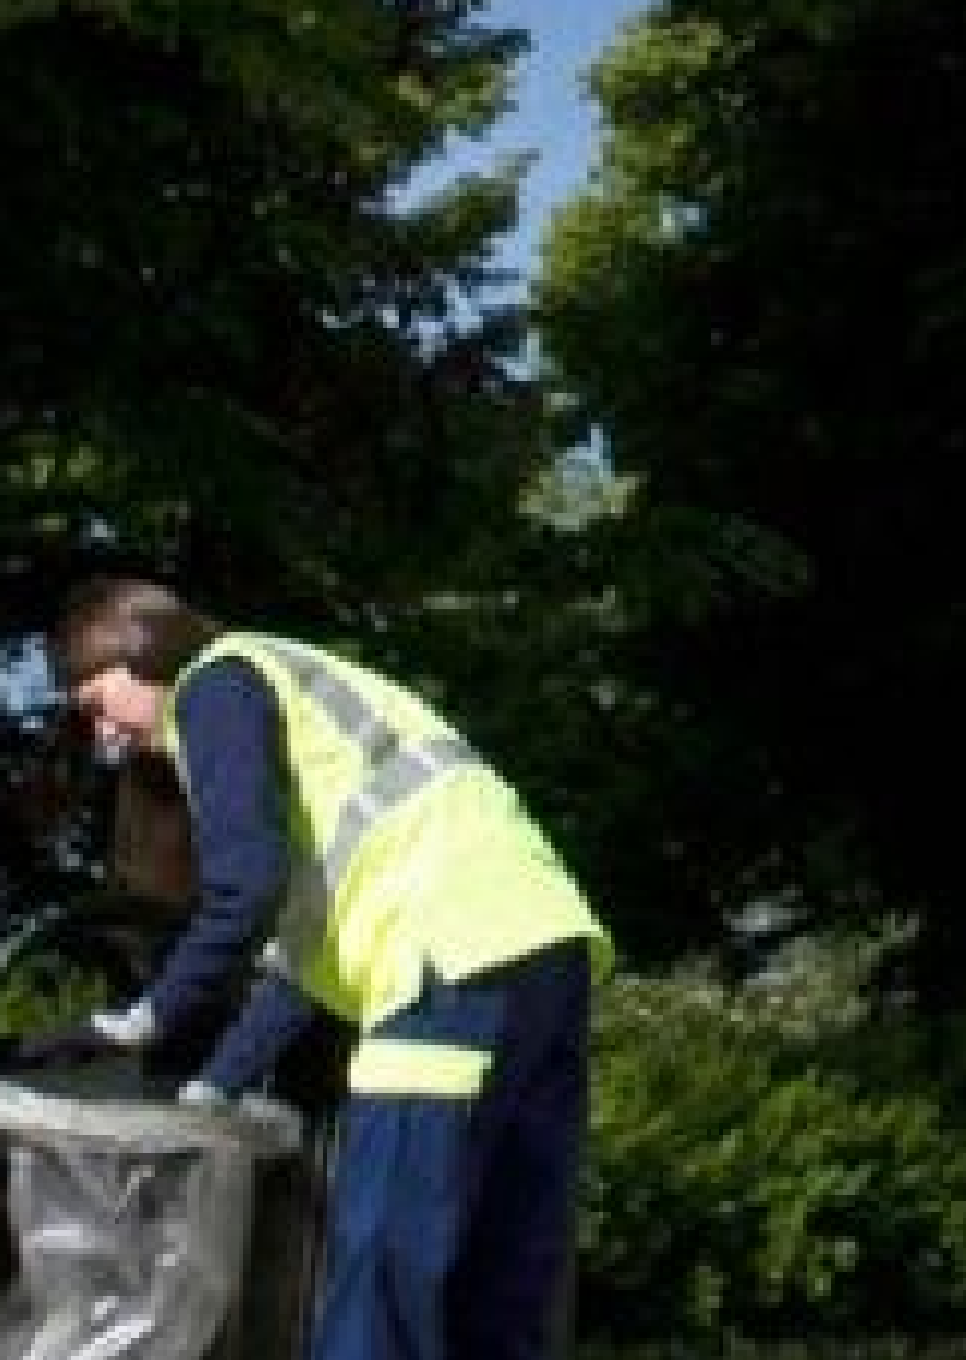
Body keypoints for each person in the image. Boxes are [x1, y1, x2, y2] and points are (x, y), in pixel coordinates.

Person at [53, 573, 606, 1360]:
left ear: (138, 653)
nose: (104, 734)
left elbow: (244, 888)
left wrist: (146, 1017)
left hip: (442, 958)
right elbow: (300, 963)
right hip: (545, 948)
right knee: (502, 1275)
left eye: (94, 702)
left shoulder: (216, 684)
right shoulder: (309, 720)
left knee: (383, 1263)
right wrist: (215, 1088)